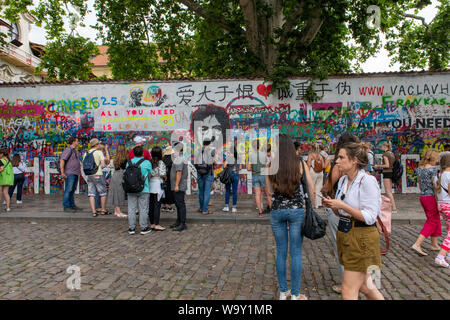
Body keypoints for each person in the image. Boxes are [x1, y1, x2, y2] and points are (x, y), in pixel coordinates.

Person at [323, 142, 384, 300]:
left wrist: (342, 205)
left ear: (354, 160)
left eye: (341, 157)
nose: (337, 161)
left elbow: (370, 216)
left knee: (348, 289)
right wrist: (334, 206)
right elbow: (343, 211)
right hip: (347, 236)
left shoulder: (367, 181)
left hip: (362, 238)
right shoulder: (343, 181)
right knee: (366, 286)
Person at [267, 134, 314, 300]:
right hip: (297, 211)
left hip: (277, 211)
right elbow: (311, 188)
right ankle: (295, 294)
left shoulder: (271, 165)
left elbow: (269, 192)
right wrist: (312, 207)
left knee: (280, 252)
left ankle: (283, 291)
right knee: (295, 253)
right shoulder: (300, 164)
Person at [321, 132, 360, 294]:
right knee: (354, 246)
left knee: (342, 247)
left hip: (339, 209)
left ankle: (347, 284)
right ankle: (358, 282)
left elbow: (327, 186)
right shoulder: (360, 163)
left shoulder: (339, 165)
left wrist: (324, 192)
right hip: (356, 210)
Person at [411, 149, 441, 256]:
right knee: (432, 221)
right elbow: (435, 185)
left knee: (434, 218)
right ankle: (418, 244)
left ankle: (434, 244)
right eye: (436, 159)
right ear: (433, 158)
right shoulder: (433, 170)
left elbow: (419, 183)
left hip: (423, 197)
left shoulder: (420, 169)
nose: (437, 161)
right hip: (430, 197)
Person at [126, 145, 153, 235]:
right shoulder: (147, 162)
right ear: (142, 153)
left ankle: (131, 228)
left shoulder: (128, 163)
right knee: (143, 208)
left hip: (130, 189)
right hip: (143, 188)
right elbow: (150, 175)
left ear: (133, 153)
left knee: (131, 208)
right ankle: (143, 227)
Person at [84, 138, 110, 217]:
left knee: (91, 193)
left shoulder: (86, 153)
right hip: (98, 174)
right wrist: (103, 167)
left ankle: (94, 212)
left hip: (89, 175)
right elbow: (103, 165)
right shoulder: (99, 152)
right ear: (96, 145)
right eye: (98, 144)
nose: (99, 145)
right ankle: (103, 210)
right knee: (103, 192)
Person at [433, 153, 450, 267]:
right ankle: (441, 255)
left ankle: (448, 254)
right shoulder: (449, 175)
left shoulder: (440, 174)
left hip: (441, 205)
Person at [248, 139, 272, 217]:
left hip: (255, 176)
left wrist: (254, 169)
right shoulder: (264, 154)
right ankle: (272, 211)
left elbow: (248, 168)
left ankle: (260, 212)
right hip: (264, 176)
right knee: (268, 194)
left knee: (257, 194)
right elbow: (267, 164)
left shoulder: (251, 155)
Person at [373, 141, 398, 213]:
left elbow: (387, 165)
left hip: (386, 173)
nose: (381, 148)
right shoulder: (391, 153)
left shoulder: (385, 154)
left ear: (385, 146)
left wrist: (378, 166)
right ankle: (392, 207)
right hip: (391, 172)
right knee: (390, 191)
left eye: (382, 146)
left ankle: (393, 208)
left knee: (388, 191)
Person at [60, 136, 82, 212]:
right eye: (77, 141)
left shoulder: (74, 150)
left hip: (75, 172)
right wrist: (62, 172)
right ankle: (66, 206)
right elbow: (62, 160)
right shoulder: (68, 149)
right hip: (70, 172)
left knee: (72, 189)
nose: (78, 142)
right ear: (73, 142)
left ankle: (72, 205)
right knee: (68, 189)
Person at [170, 142, 189, 232]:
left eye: (174, 148)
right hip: (178, 185)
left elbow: (179, 172)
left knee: (180, 204)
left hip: (179, 185)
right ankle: (178, 221)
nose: (173, 150)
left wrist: (176, 185)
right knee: (178, 204)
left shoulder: (179, 159)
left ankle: (182, 223)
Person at [195, 138, 216, 215]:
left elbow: (195, 161)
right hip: (208, 173)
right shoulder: (212, 150)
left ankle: (201, 208)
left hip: (199, 172)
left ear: (203, 143)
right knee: (207, 192)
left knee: (201, 191)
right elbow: (214, 161)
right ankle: (205, 210)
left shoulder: (197, 150)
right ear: (209, 143)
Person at [107, 144, 128, 218]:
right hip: (120, 176)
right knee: (119, 193)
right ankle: (119, 212)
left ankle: (116, 211)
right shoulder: (125, 159)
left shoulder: (115, 158)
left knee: (115, 193)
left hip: (115, 176)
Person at [149, 146, 167, 231]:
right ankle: (156, 223)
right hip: (157, 185)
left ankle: (152, 223)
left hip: (150, 185)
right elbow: (163, 174)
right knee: (157, 205)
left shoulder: (149, 162)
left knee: (151, 205)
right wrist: (165, 177)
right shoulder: (161, 163)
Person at [222, 145, 240, 213]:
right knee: (235, 191)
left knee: (227, 190)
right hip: (235, 175)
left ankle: (226, 206)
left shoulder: (229, 157)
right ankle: (234, 208)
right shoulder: (238, 158)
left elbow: (224, 166)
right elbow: (240, 167)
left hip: (229, 175)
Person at [307, 143, 324, 208]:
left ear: (312, 148)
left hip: (312, 172)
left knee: (312, 187)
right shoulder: (320, 156)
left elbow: (308, 165)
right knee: (319, 187)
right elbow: (323, 166)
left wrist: (307, 173)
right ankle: (319, 203)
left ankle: (313, 204)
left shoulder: (311, 155)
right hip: (320, 173)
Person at [161, 146, 175, 213]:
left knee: (163, 191)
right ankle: (169, 207)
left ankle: (163, 206)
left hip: (163, 177)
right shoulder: (173, 159)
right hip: (170, 177)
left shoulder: (163, 159)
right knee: (169, 191)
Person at [0, 148, 13, 212]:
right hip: (8, 179)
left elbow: (1, 169)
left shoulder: (1, 160)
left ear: (2, 154)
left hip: (1, 178)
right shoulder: (9, 161)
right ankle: (7, 207)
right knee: (6, 193)